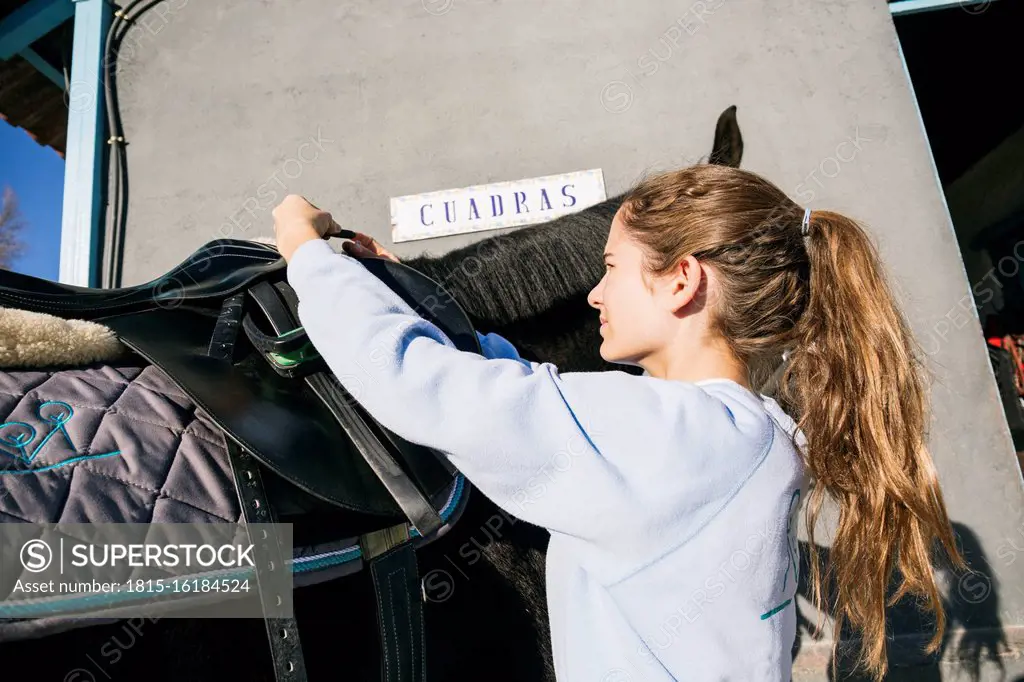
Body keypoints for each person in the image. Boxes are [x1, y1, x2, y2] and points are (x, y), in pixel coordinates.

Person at [271, 164, 966, 682]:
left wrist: (305, 252)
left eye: (610, 268)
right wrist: (425, 302)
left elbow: (417, 384)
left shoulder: (662, 438)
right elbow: (537, 392)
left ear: (681, 280)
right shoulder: (746, 433)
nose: (595, 293)